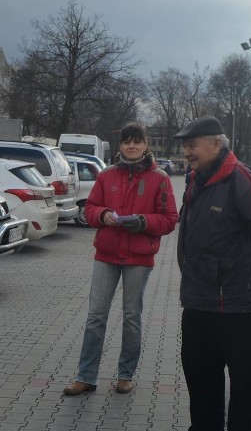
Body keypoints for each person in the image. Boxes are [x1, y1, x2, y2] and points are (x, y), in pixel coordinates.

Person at [171, 116, 251, 431]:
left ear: (216, 144)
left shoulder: (241, 179)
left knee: (246, 375)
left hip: (239, 300)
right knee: (199, 366)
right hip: (200, 296)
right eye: (185, 145)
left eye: (193, 144)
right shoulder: (197, 179)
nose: (186, 151)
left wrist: (243, 272)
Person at [63, 123, 178, 396]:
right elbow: (90, 208)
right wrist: (102, 215)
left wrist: (142, 222)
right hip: (107, 253)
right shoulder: (107, 176)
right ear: (120, 146)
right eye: (127, 142)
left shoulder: (159, 178)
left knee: (131, 317)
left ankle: (125, 375)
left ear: (146, 145)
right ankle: (86, 376)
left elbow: (170, 219)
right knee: (95, 316)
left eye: (137, 141)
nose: (132, 146)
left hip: (139, 257)